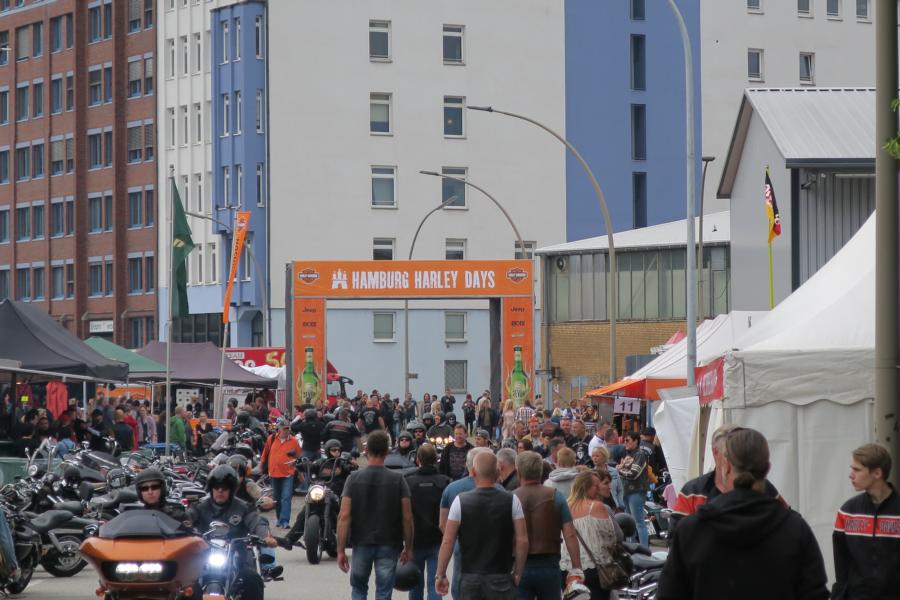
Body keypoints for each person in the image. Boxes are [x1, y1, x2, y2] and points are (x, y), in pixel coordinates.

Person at [657, 428, 828, 600]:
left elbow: (669, 594)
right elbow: (815, 594)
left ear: (726, 466)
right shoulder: (795, 530)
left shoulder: (691, 531)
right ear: (767, 468)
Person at [435, 451, 529, 600]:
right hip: (501, 575)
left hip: (470, 577)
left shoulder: (460, 501)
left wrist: (440, 574)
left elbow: (448, 541)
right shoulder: (512, 500)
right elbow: (522, 540)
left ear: (473, 472)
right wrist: (517, 573)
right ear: (498, 472)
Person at [337, 430, 414, 600]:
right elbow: (407, 517)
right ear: (387, 452)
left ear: (366, 451)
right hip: (389, 542)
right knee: (384, 591)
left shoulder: (353, 479)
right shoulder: (398, 480)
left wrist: (340, 549)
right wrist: (408, 547)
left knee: (358, 588)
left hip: (361, 541)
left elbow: (344, 516)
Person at [670, 424, 784, 531]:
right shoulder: (692, 491)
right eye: (729, 453)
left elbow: (784, 520)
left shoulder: (767, 489)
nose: (736, 458)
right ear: (715, 452)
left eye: (740, 453)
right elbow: (675, 535)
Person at [832, 443, 900, 600]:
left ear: (877, 473)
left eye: (857, 470)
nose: (851, 475)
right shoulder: (847, 511)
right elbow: (841, 566)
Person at [514, 451, 583, 600]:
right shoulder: (555, 496)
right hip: (549, 564)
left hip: (519, 565)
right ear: (540, 471)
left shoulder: (511, 498)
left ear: (518, 473)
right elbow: (570, 534)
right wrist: (577, 568)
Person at [439, 447, 504, 600]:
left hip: (463, 549)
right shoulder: (501, 490)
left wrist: (440, 573)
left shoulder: (451, 489)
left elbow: (443, 524)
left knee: (461, 590)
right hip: (493, 551)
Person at [560, 470, 624, 600]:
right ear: (586, 487)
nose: (599, 488)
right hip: (594, 567)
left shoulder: (564, 506)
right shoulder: (596, 506)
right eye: (596, 485)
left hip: (567, 568)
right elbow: (610, 537)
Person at [405, 444, 451, 600]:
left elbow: (404, 514)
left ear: (418, 460)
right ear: (436, 459)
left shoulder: (408, 483)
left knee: (414, 583)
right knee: (435, 582)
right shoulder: (445, 482)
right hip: (438, 539)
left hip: (415, 539)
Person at [259, 419, 301, 528]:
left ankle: (285, 521)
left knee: (286, 497)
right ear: (279, 429)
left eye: (288, 429)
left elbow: (298, 456)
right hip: (274, 473)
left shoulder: (294, 441)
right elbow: (265, 453)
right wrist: (261, 464)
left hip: (288, 473)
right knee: (277, 498)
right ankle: (279, 519)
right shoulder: (271, 439)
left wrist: (295, 463)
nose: (287, 431)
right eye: (285, 429)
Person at [616, 432, 650, 545]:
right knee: (629, 522)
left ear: (636, 441)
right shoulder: (628, 455)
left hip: (636, 491)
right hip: (626, 491)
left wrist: (619, 470)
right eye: (624, 440)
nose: (625, 443)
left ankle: (644, 549)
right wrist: (620, 470)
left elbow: (633, 474)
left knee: (639, 522)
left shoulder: (640, 454)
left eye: (628, 440)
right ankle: (632, 547)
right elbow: (625, 471)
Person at [591, 446, 623, 510]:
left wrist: (620, 504)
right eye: (593, 456)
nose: (594, 458)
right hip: (598, 506)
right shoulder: (591, 474)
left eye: (597, 456)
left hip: (614, 506)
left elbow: (620, 489)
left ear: (604, 457)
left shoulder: (614, 471)